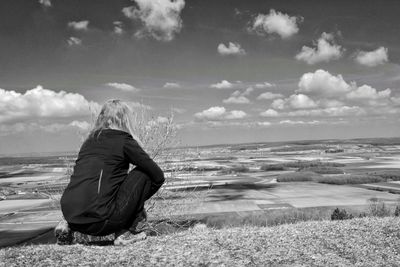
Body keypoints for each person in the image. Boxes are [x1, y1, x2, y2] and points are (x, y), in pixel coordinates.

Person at [55, 99, 165, 245]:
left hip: (71, 215)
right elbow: (158, 176)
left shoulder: (89, 141)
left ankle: (67, 227)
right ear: (125, 119)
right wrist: (136, 205)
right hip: (102, 221)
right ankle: (126, 232)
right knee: (143, 173)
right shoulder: (124, 141)